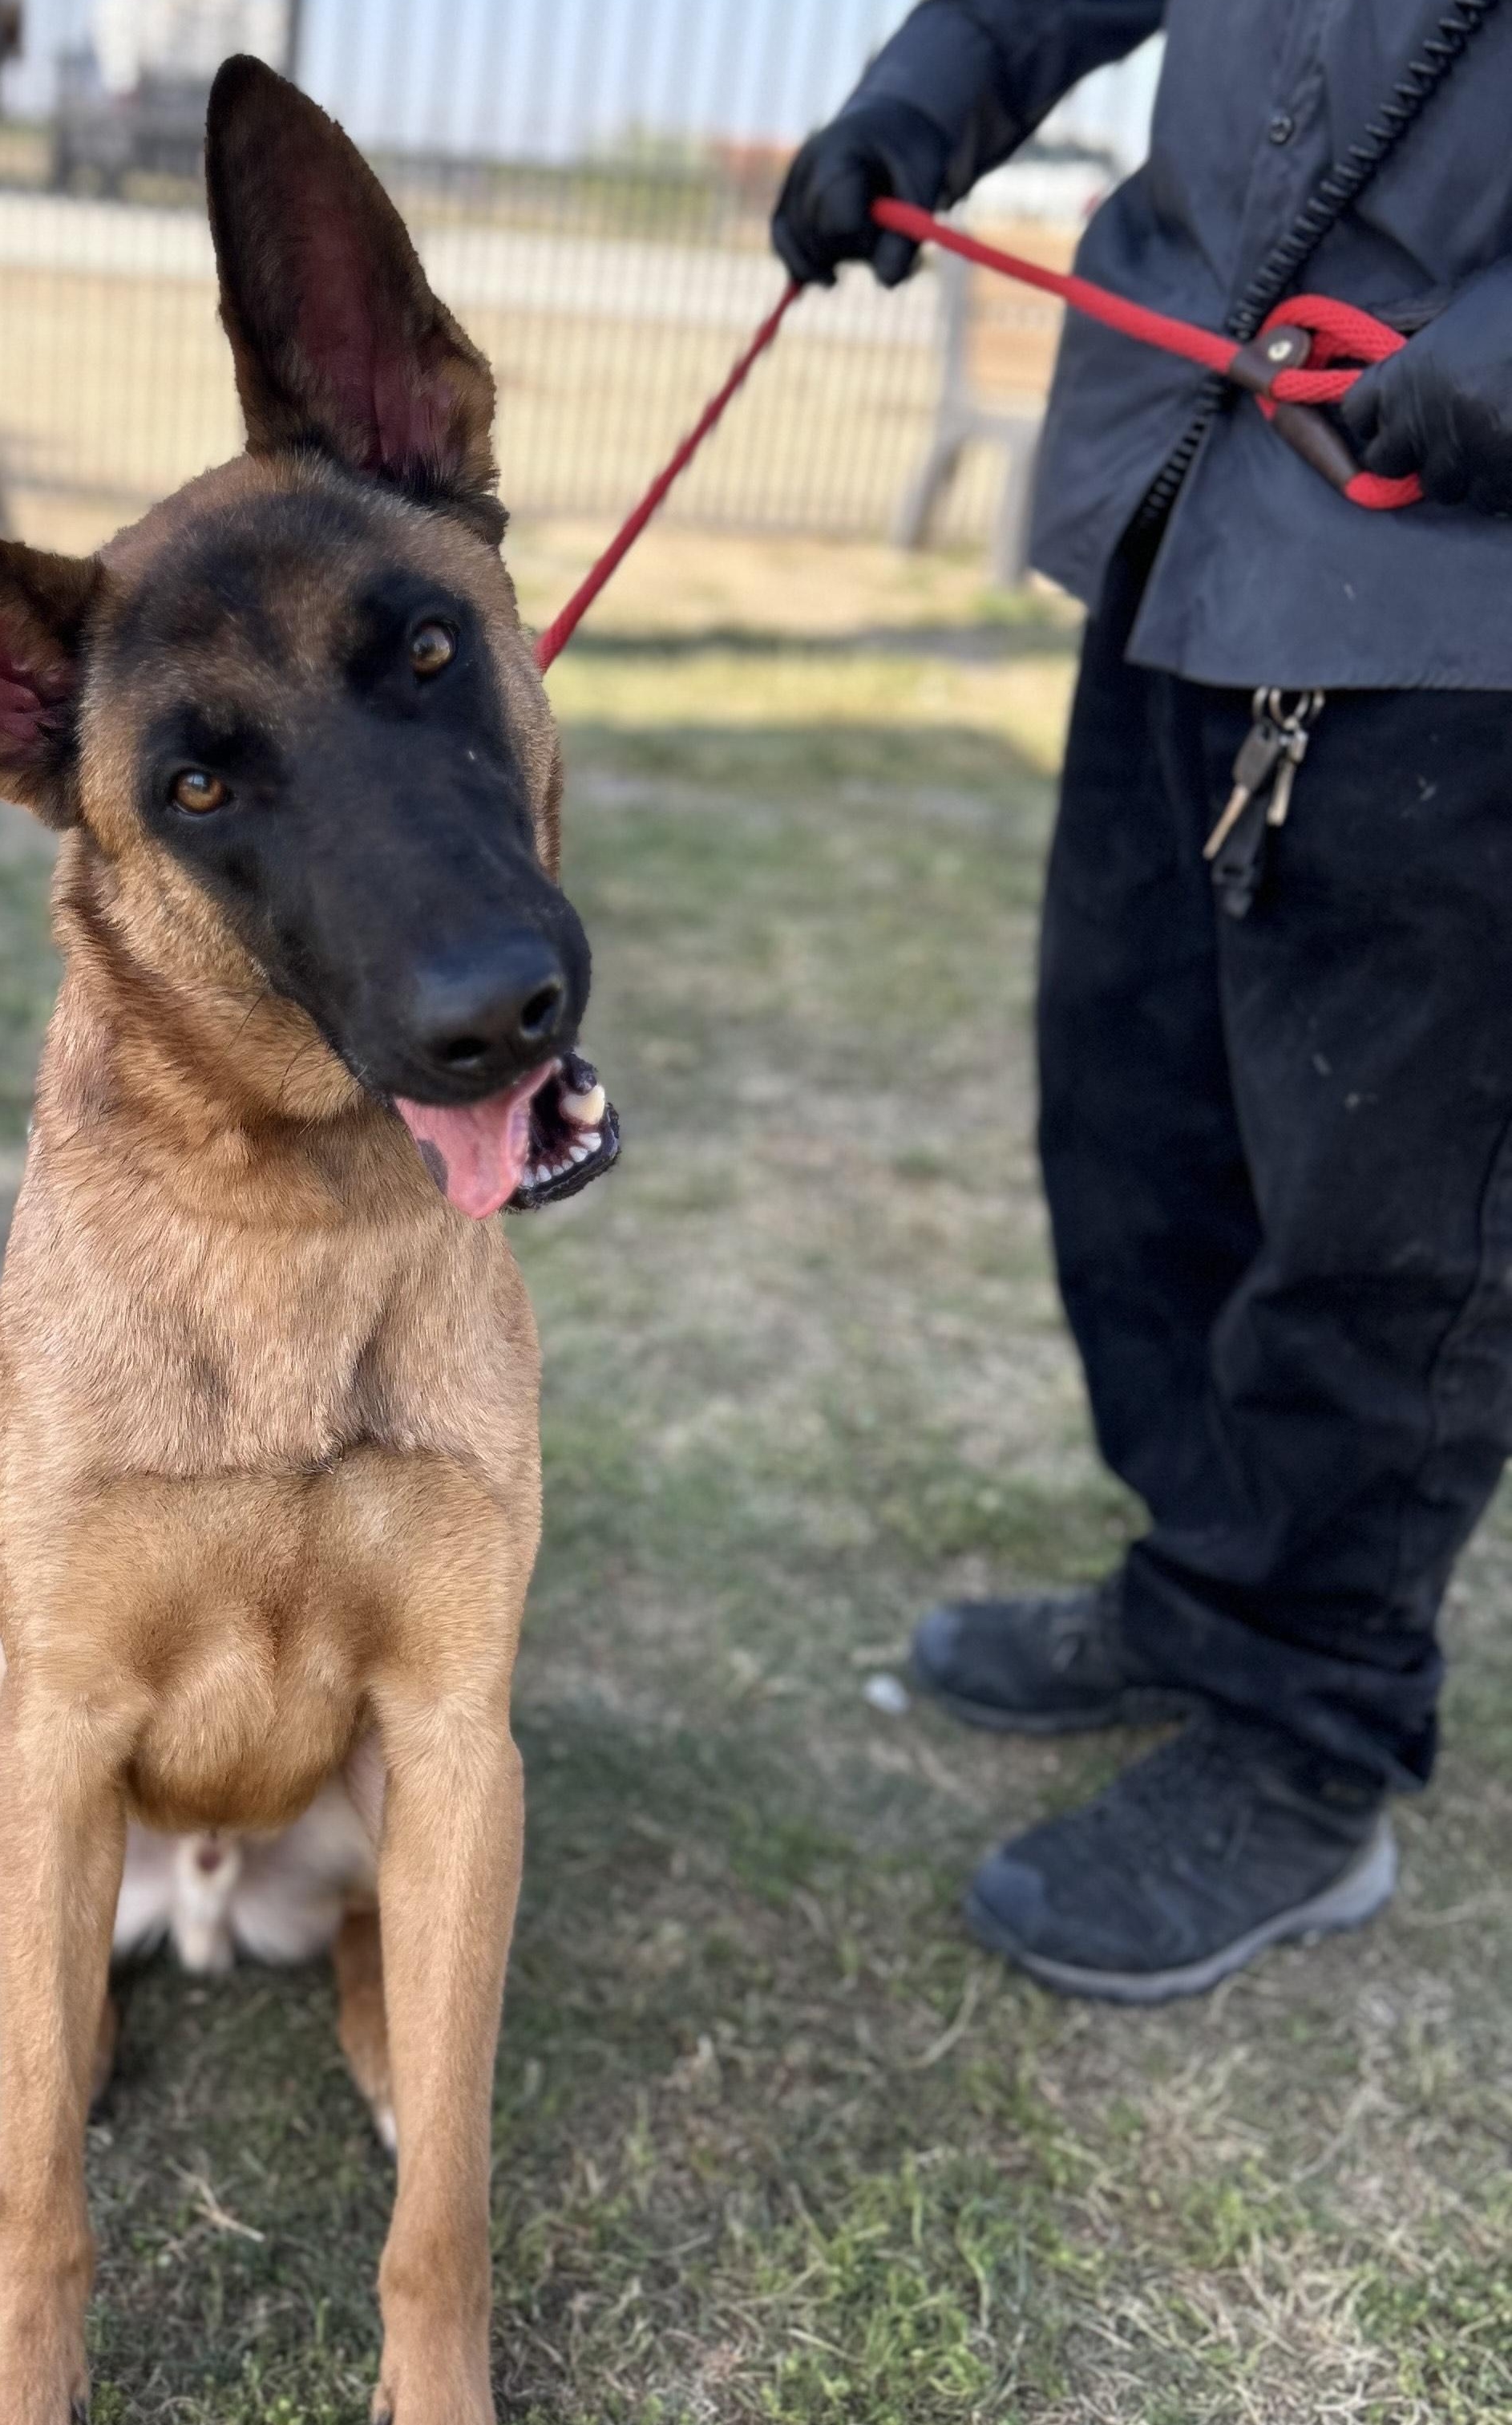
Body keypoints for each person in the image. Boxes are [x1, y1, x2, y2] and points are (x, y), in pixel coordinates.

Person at [771, 0, 1512, 2002]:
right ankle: (1207, 1597)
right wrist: (918, 97)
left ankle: (1311, 1731)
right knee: (1136, 1119)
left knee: (1391, 1229)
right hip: (1190, 521)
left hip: (1458, 614)